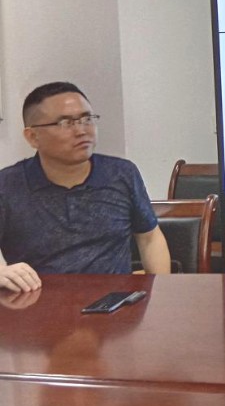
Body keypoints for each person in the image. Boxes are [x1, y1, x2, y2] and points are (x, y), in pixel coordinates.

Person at [0, 82, 171, 292]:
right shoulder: (7, 186)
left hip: (114, 304)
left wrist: (162, 293)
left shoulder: (121, 174)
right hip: (39, 304)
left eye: (87, 119)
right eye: (66, 123)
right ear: (33, 136)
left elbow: (149, 238)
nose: (81, 131)